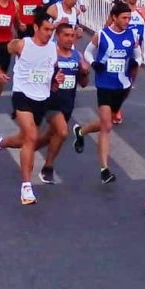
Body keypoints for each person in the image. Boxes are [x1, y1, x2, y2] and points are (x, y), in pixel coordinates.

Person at [0, 9, 59, 205]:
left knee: (24, 139)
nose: (49, 33)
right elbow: (0, 51)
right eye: (45, 29)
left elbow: (52, 70)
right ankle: (27, 187)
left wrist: (57, 80)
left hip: (42, 98)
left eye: (51, 29)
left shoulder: (53, 48)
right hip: (22, 95)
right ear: (36, 27)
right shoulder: (22, 44)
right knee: (32, 137)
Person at [71, 1, 139, 184]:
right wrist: (94, 64)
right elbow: (87, 53)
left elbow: (138, 55)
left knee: (104, 122)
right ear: (114, 17)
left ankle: (81, 131)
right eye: (124, 17)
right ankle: (104, 170)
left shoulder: (132, 34)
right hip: (104, 84)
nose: (127, 21)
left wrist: (135, 64)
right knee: (107, 126)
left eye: (129, 17)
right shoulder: (101, 35)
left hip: (123, 85)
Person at [34, 21, 88, 184]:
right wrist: (52, 79)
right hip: (50, 102)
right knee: (63, 132)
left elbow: (83, 83)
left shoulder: (76, 55)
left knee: (50, 135)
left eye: (72, 35)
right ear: (57, 36)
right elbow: (37, 77)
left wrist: (84, 72)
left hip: (67, 104)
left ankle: (27, 149)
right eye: (65, 35)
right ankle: (48, 167)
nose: (69, 39)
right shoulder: (50, 54)